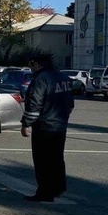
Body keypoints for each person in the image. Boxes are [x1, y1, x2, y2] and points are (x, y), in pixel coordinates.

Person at [20, 52, 74, 202]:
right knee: (57, 158)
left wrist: (26, 124)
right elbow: (70, 104)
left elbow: (34, 104)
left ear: (36, 64)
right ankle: (58, 188)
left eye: (31, 65)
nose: (30, 68)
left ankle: (45, 193)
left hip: (44, 126)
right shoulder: (63, 77)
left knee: (42, 161)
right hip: (60, 125)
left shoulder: (40, 79)